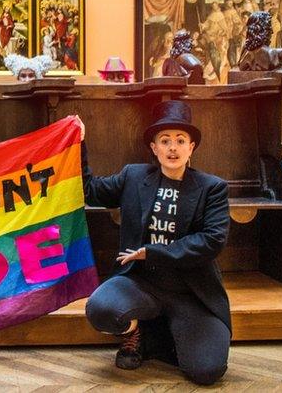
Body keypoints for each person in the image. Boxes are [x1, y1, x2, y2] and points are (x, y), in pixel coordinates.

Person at [78, 100, 230, 386]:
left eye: (180, 140)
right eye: (165, 140)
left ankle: (159, 335)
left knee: (207, 371)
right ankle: (134, 332)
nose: (173, 147)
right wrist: (78, 144)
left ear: (191, 147)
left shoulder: (213, 188)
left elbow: (212, 241)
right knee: (101, 308)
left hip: (190, 292)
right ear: (154, 147)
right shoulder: (133, 177)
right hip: (140, 284)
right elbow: (90, 191)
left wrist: (153, 252)